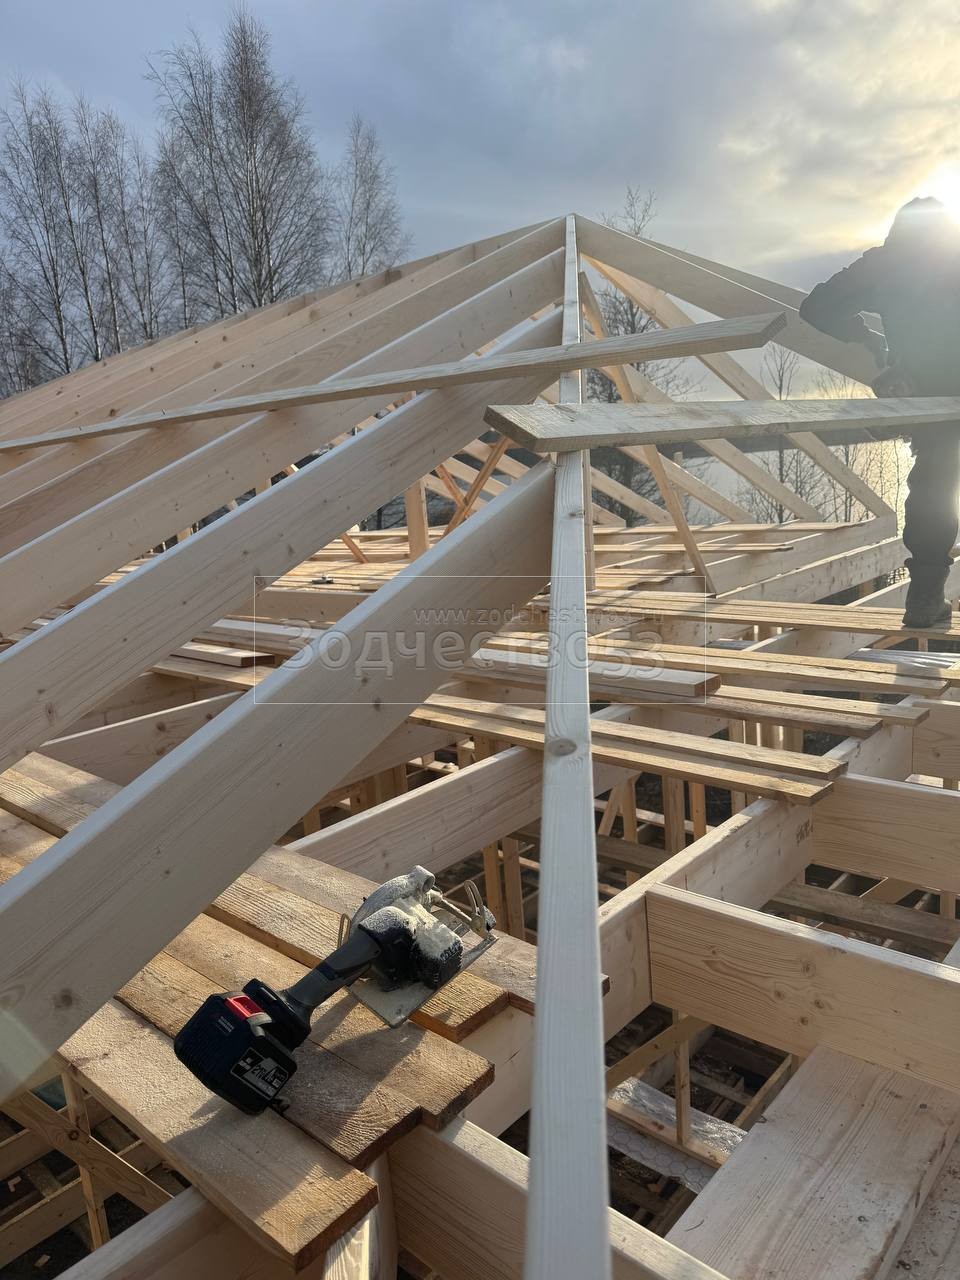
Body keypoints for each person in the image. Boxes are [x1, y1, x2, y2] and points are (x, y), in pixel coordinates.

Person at [799, 197, 960, 628]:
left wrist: (866, 336)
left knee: (934, 488)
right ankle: (926, 598)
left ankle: (924, 596)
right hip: (938, 391)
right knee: (935, 489)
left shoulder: (888, 263)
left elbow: (816, 308)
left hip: (928, 395)